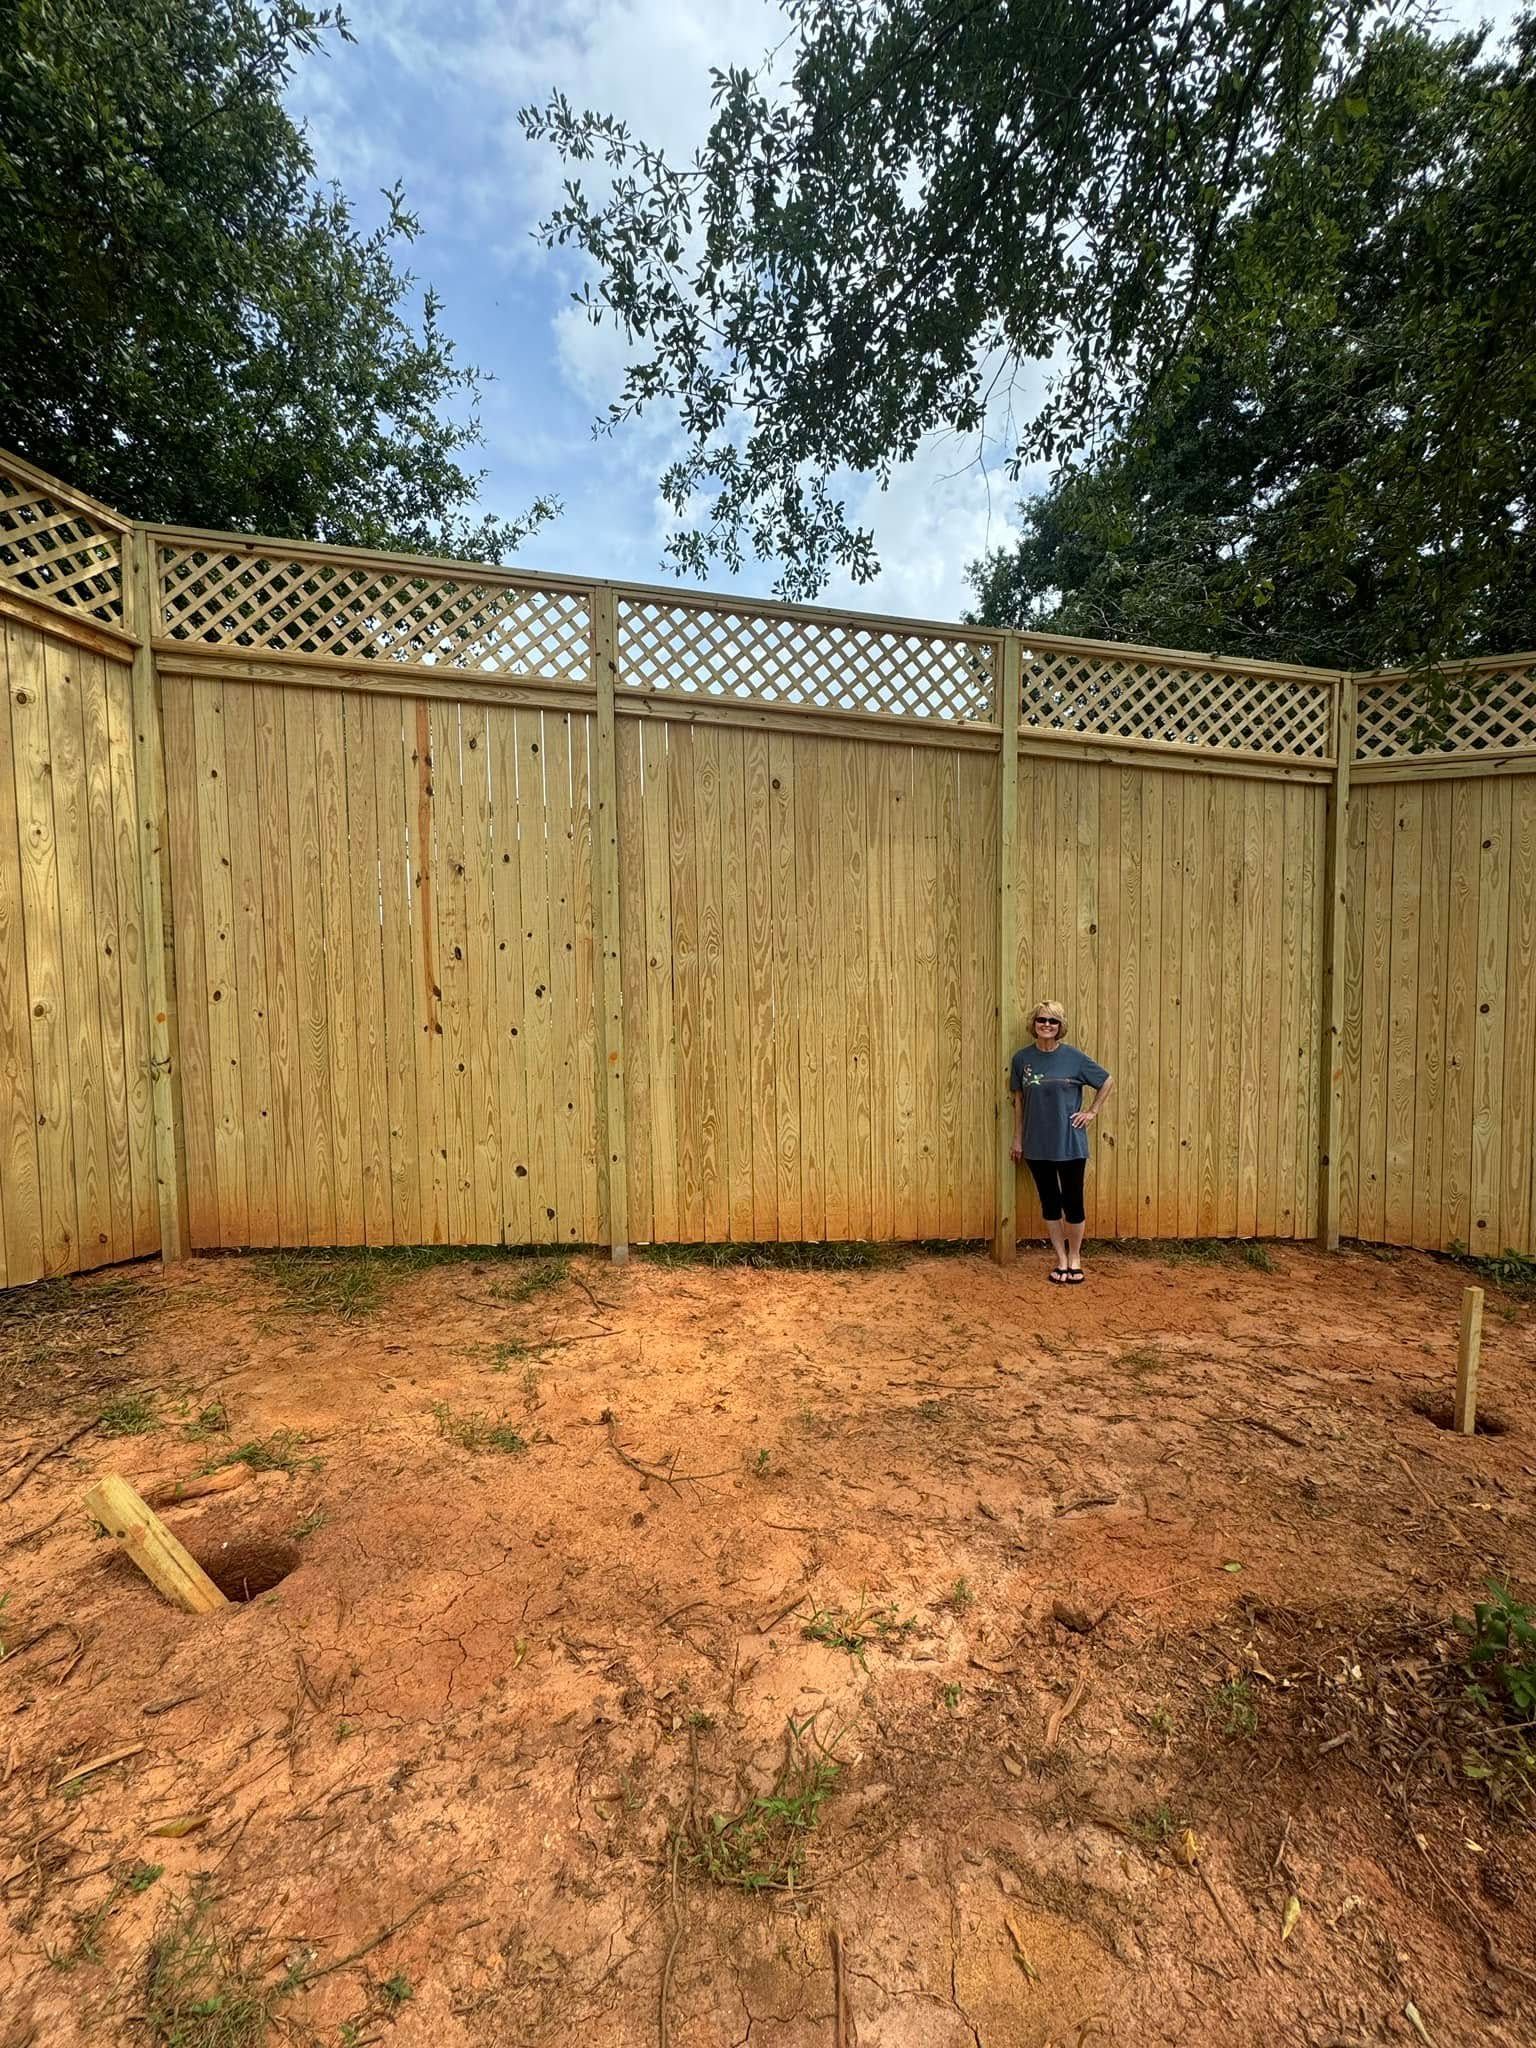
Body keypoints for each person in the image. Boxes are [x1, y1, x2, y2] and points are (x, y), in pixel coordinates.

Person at [1009, 1000, 1115, 1283]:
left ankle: (1076, 1257)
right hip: (1036, 1144)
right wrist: (1018, 1140)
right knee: (1049, 1202)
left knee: (1073, 1202)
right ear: (1034, 1023)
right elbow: (1018, 1102)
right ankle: (1061, 1259)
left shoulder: (1075, 1058)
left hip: (1070, 1143)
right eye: (1042, 1019)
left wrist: (1092, 1112)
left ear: (1060, 1027)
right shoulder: (1021, 1060)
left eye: (1053, 1021)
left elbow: (1106, 1080)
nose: (1046, 1025)